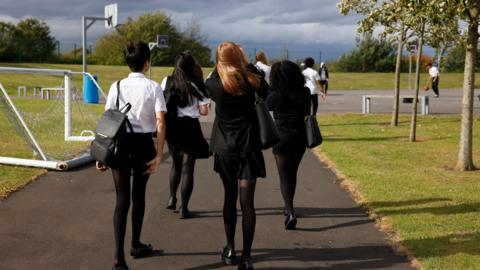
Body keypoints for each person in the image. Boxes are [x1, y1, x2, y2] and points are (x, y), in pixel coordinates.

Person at [96, 41, 167, 270]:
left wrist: (101, 154)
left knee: (121, 198)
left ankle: (118, 257)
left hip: (119, 144)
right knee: (139, 196)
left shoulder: (116, 86)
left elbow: (108, 118)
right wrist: (159, 154)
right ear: (147, 62)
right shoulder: (154, 87)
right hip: (144, 144)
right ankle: (136, 244)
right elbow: (160, 122)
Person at [206, 41, 268, 270]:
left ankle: (231, 248)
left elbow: (210, 78)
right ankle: (247, 257)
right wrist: (244, 61)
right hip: (249, 146)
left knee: (229, 198)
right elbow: (266, 87)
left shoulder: (214, 84)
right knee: (248, 203)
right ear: (238, 58)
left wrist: (223, 62)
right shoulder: (252, 81)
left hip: (225, 148)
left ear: (219, 60)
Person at [161, 51, 211, 219]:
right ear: (191, 66)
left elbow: (162, 103)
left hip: (172, 126)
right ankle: (184, 208)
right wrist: (198, 107)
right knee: (188, 169)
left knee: (175, 164)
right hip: (190, 127)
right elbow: (204, 112)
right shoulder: (197, 83)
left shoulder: (167, 81)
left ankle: (171, 198)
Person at [266, 60, 311, 230]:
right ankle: (288, 206)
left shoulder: (276, 94)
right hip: (300, 136)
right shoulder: (305, 92)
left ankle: (290, 210)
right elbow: (307, 112)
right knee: (292, 174)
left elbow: (266, 106)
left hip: (281, 137)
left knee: (284, 175)